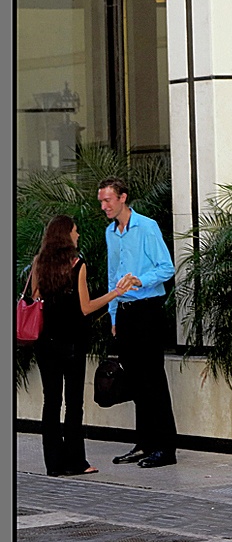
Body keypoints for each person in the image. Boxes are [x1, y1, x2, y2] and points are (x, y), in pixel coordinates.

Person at [29, 215, 138, 477]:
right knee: (73, 403)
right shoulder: (77, 264)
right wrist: (115, 293)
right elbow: (86, 307)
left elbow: (35, 298)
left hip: (46, 344)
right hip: (73, 343)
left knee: (51, 402)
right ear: (66, 235)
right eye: (75, 232)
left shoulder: (38, 263)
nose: (78, 236)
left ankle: (53, 464)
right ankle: (76, 462)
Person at [99, 177, 179, 469]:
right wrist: (113, 313)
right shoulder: (111, 232)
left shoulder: (146, 227)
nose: (104, 206)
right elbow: (112, 274)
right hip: (125, 312)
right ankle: (145, 444)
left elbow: (167, 268)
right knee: (135, 379)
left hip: (147, 309)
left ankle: (165, 448)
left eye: (108, 200)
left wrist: (140, 280)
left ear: (123, 198)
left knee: (153, 379)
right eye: (101, 201)